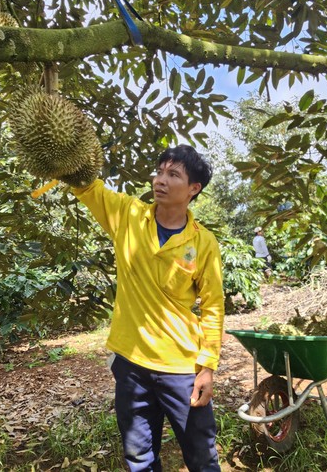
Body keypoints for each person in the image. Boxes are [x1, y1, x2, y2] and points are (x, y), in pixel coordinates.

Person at [71, 144, 224, 471]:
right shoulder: (128, 215)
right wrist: (66, 157)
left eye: (173, 175)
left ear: (193, 189)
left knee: (201, 455)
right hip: (131, 365)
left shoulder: (203, 243)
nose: (161, 181)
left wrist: (208, 366)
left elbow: (213, 306)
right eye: (159, 172)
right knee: (139, 458)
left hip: (181, 366)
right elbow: (88, 187)